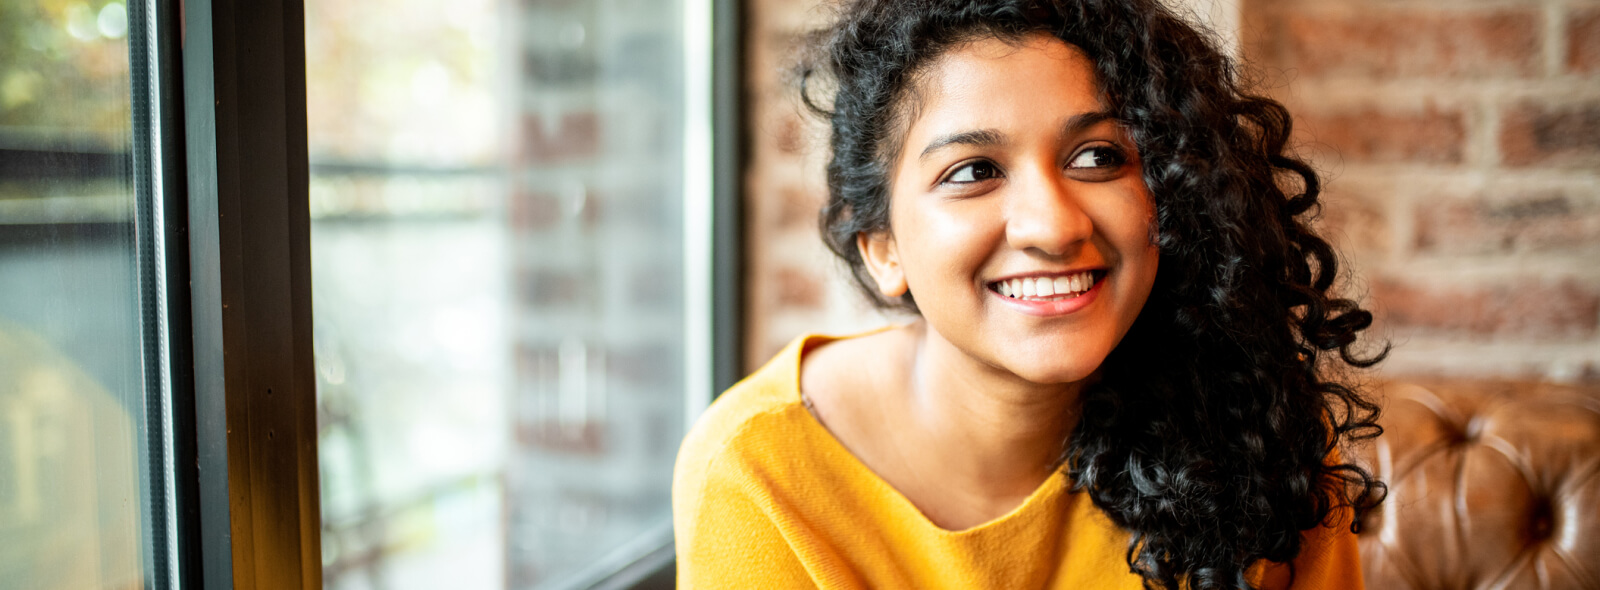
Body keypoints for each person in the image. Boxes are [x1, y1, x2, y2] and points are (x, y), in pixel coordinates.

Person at [673, 0, 1386, 588]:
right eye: (973, 170)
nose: (1051, 225)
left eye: (1098, 157)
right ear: (885, 250)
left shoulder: (1253, 428)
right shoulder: (758, 476)